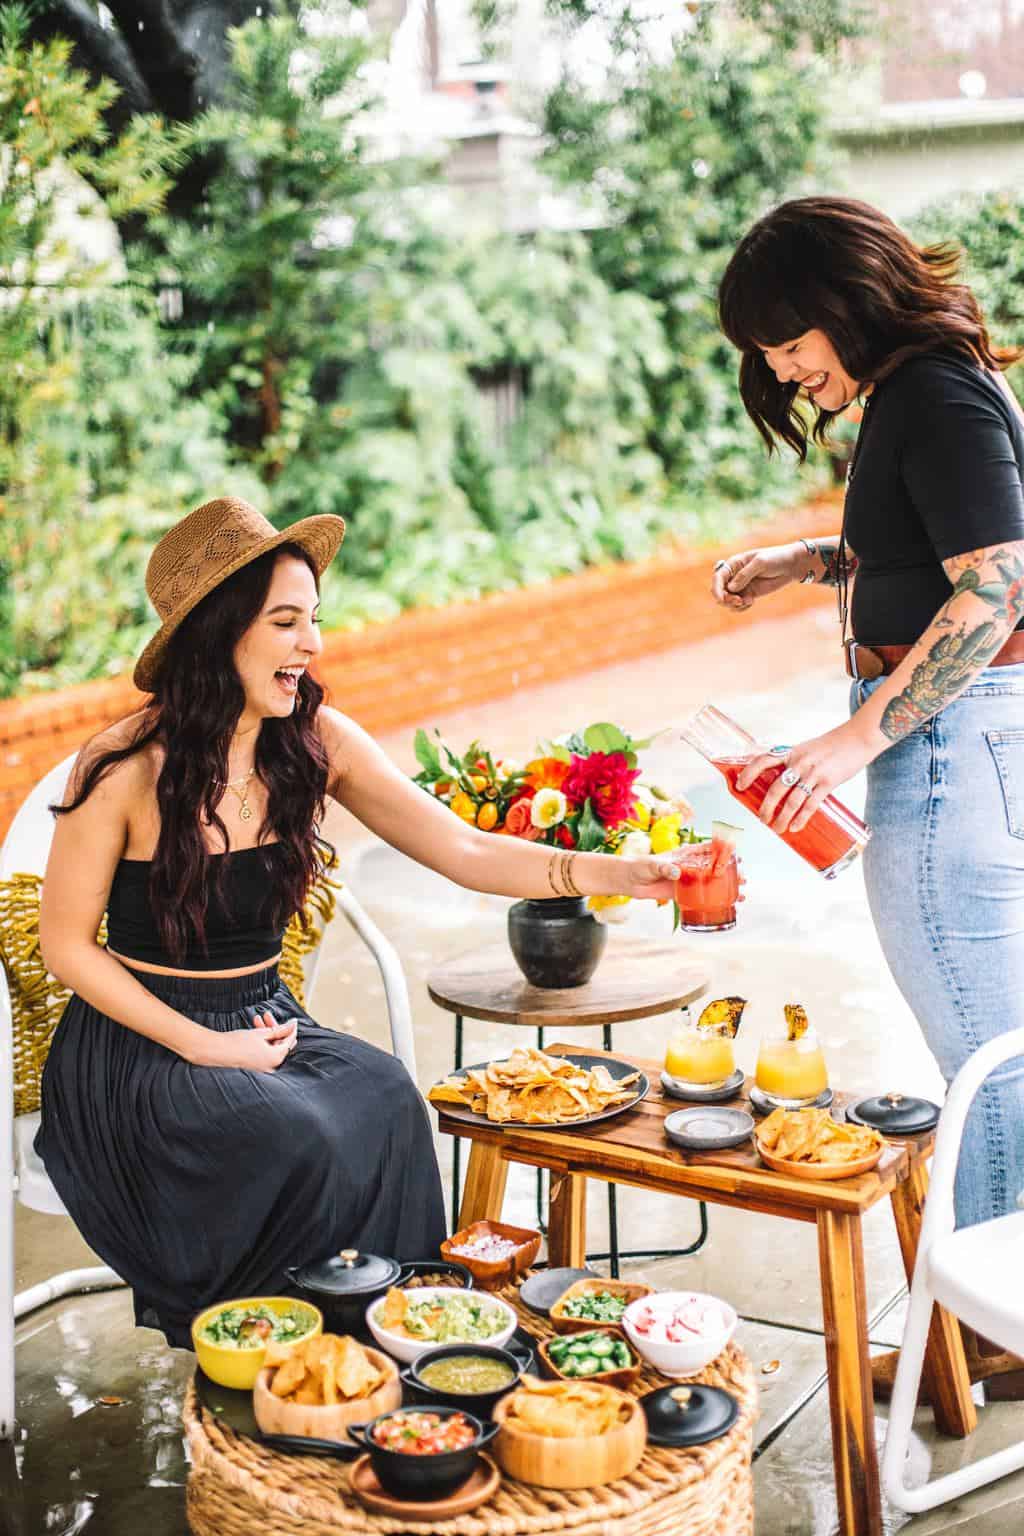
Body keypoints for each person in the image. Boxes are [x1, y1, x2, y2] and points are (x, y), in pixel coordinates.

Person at [35, 496, 688, 1348]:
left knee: (384, 1097)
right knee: (289, 1132)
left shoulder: (313, 740)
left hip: (261, 1017)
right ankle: (271, 1356)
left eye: (314, 619)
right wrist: (206, 1046)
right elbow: (64, 946)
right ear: (218, 633)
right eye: (286, 622)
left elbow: (463, 849)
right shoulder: (124, 768)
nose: (313, 644)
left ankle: (398, 1340)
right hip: (141, 1046)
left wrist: (619, 874)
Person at [713, 196, 1024, 1401]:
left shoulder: (935, 393)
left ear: (844, 304)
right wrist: (810, 560)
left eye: (789, 342)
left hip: (948, 748)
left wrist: (858, 734)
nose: (784, 371)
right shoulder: (927, 390)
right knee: (995, 1035)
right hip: (973, 743)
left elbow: (992, 586)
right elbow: (935, 542)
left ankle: (988, 1329)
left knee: (983, 1053)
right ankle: (991, 1306)